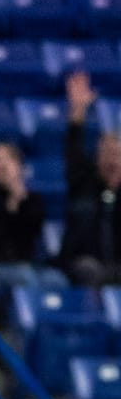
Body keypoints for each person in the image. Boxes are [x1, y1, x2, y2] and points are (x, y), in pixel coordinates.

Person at [0, 141, 65, 299]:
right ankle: (29, 323)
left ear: (19, 165)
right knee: (24, 277)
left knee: (57, 280)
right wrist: (11, 207)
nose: (2, 166)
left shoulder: (32, 200)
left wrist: (21, 201)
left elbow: (34, 230)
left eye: (7, 160)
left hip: (29, 264)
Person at [61, 70, 121, 287]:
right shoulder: (83, 182)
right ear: (97, 158)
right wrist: (78, 110)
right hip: (83, 263)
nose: (112, 159)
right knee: (90, 270)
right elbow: (73, 151)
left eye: (117, 154)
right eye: (106, 153)